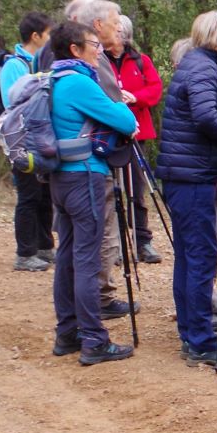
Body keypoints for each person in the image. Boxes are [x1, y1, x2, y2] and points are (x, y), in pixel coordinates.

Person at [44, 20, 142, 366]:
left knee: (68, 255)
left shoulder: (52, 79)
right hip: (85, 177)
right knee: (86, 258)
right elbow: (126, 121)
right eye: (93, 44)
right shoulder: (78, 82)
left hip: (61, 179)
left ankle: (67, 332)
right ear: (74, 49)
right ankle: (94, 340)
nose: (98, 49)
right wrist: (121, 108)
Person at [159, 11, 217, 368]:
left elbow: (199, 113)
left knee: (189, 256)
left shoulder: (196, 65)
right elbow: (202, 117)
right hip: (193, 176)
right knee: (200, 258)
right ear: (216, 40)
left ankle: (192, 332)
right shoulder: (202, 67)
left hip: (184, 174)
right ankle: (200, 341)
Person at [0, 11, 55, 271]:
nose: (51, 38)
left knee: (44, 194)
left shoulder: (39, 63)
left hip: (40, 139)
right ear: (36, 36)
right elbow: (15, 103)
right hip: (22, 142)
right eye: (48, 34)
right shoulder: (15, 65)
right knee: (28, 195)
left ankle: (44, 246)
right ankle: (25, 252)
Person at [112, 14, 164, 264]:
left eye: (121, 30)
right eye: (114, 29)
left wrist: (134, 97)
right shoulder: (98, 61)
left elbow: (155, 89)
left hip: (137, 132)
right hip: (108, 132)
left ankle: (143, 240)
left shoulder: (140, 61)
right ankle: (117, 242)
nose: (117, 34)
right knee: (112, 190)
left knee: (136, 188)